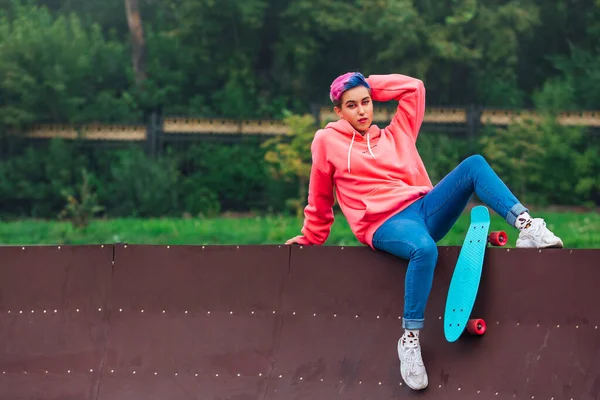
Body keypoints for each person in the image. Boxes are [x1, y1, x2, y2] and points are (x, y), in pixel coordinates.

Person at [284, 71, 564, 390]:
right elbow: (319, 196)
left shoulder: (397, 133)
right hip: (383, 223)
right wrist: (312, 237)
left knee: (473, 165)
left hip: (423, 210)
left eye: (366, 102)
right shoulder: (326, 141)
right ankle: (410, 340)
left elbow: (414, 88)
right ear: (338, 111)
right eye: (351, 105)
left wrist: (365, 83)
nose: (362, 111)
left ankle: (526, 226)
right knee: (424, 249)